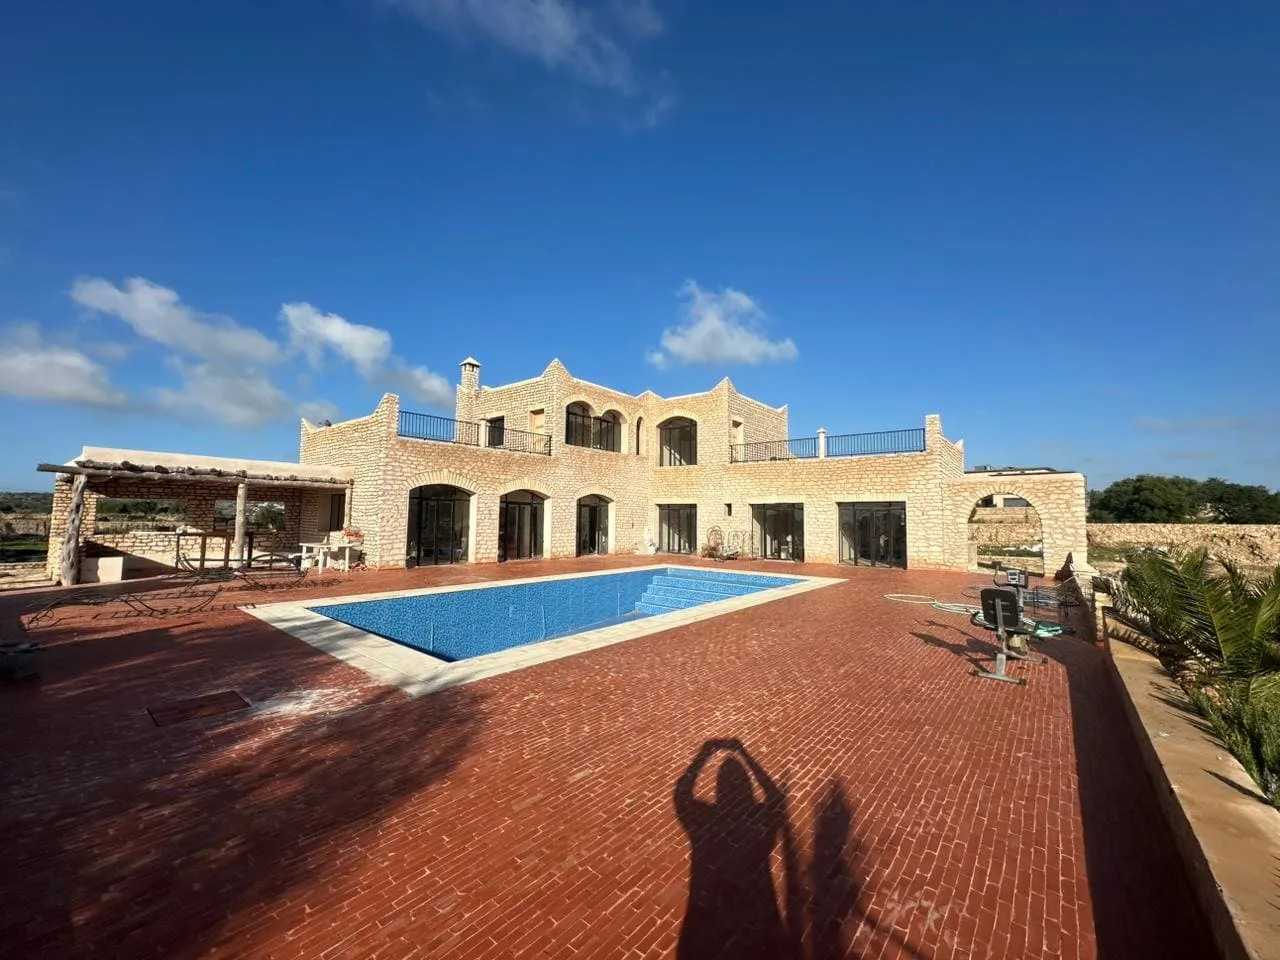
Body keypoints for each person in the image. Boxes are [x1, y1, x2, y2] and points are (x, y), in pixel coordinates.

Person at [674, 739, 800, 960]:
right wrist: (746, 756)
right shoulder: (760, 821)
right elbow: (775, 797)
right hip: (760, 919)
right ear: (748, 790)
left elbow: (681, 794)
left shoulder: (704, 823)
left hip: (704, 926)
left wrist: (704, 755)